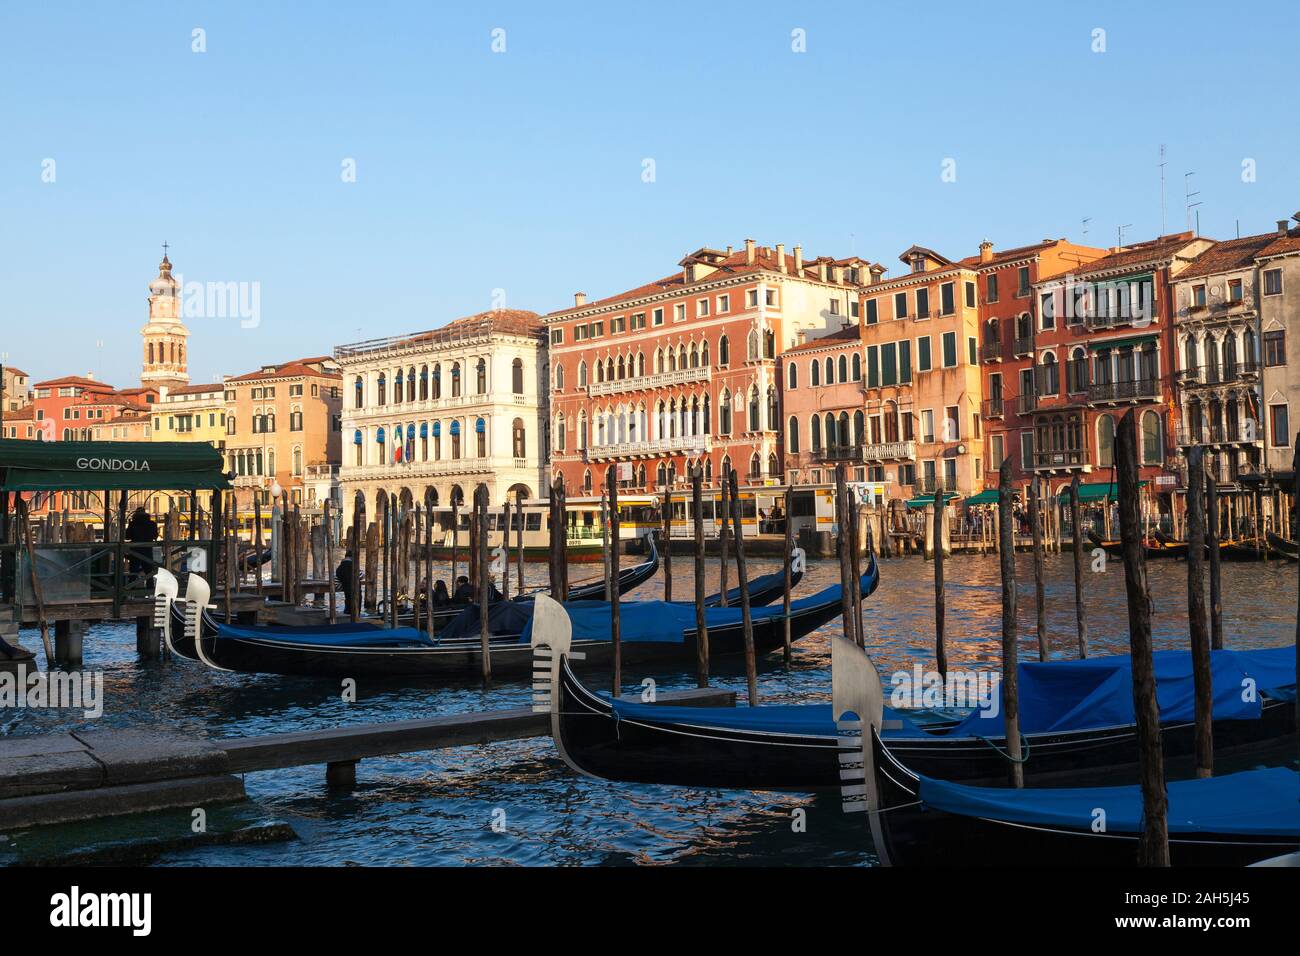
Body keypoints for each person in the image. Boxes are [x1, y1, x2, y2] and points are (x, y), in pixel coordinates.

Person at [125, 507, 158, 579]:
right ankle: (150, 587)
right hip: (147, 550)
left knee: (133, 572)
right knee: (149, 572)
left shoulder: (133, 524)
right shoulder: (152, 524)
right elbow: (155, 536)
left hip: (135, 550)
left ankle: (131, 587)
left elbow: (127, 537)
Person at [336, 551, 355, 616]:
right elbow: (361, 575)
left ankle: (347, 613)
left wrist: (341, 585)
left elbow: (336, 579)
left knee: (348, 601)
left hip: (346, 588)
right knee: (354, 604)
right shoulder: (353, 566)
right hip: (355, 589)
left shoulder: (339, 568)